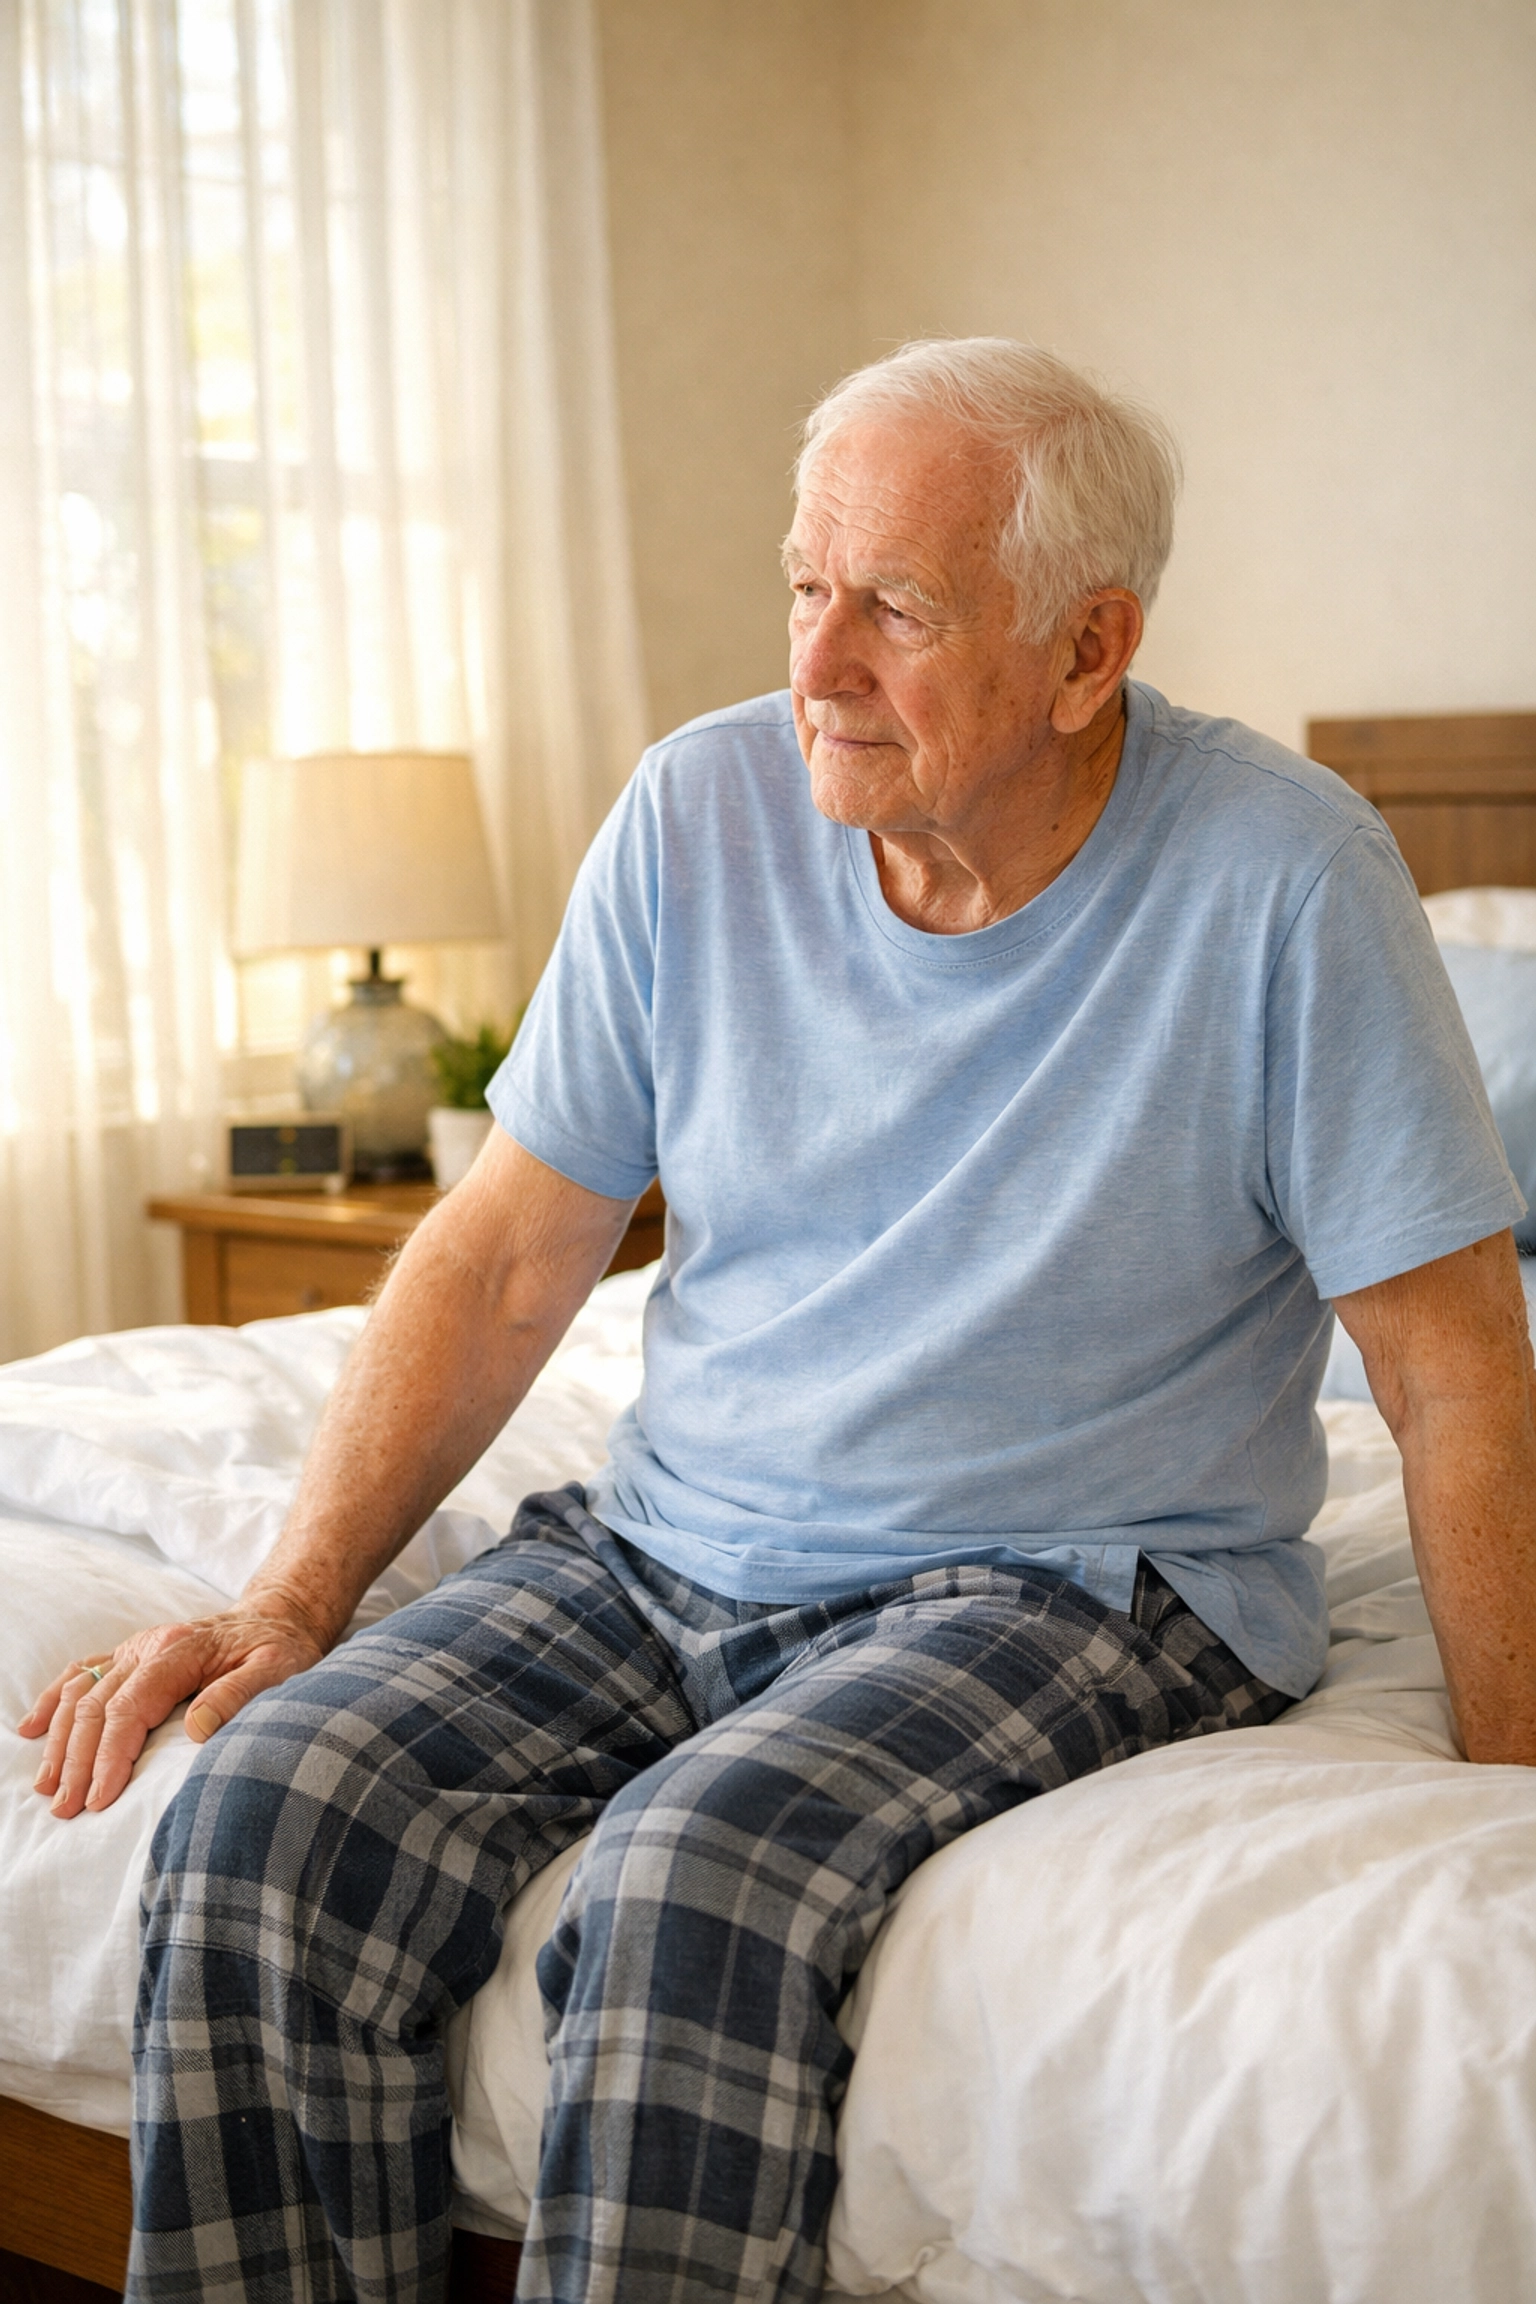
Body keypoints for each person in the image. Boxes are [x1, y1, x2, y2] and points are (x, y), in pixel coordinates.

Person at [22, 339, 1536, 2304]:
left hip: (1069, 1576)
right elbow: (497, 1257)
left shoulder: (1289, 876)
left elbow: (1451, 1363)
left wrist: (1507, 1780)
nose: (818, 663)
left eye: (895, 609)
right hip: (673, 1542)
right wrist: (291, 1599)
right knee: (263, 1812)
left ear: (1091, 652)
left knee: (687, 1887)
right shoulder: (697, 811)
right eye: (806, 586)